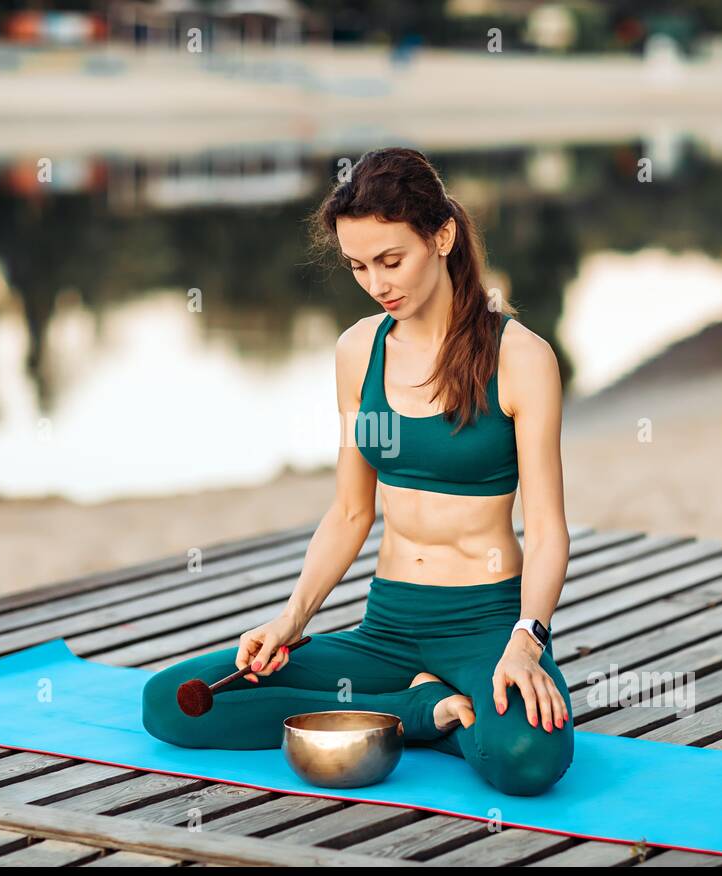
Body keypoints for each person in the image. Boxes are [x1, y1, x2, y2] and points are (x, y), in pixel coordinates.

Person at [143, 147, 573, 796]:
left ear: (443, 236)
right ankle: (420, 710)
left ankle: (448, 706)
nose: (377, 283)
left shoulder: (521, 358)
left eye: (391, 260)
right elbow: (351, 511)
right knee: (173, 701)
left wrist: (527, 639)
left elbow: (545, 529)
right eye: (359, 266)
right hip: (387, 629)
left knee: (528, 760)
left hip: (486, 624)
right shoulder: (357, 352)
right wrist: (289, 621)